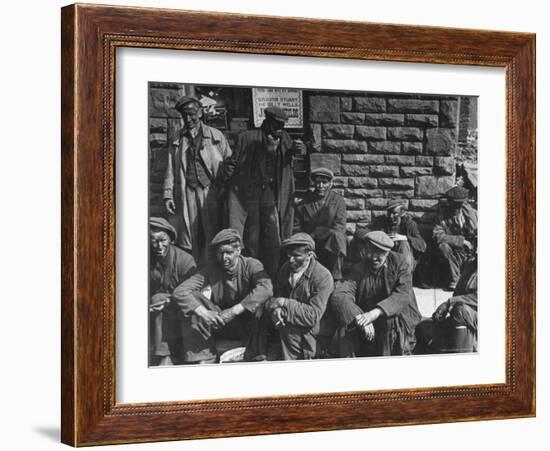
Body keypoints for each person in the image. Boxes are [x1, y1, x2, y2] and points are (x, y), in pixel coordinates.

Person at [170, 229, 273, 363]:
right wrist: (204, 313)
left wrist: (235, 310)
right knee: (194, 298)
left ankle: (256, 351)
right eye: (220, 253)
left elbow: (266, 288)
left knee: (263, 301)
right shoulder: (211, 269)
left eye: (229, 253)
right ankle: (203, 356)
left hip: (248, 324)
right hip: (222, 321)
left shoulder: (251, 265)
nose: (224, 258)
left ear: (238, 251)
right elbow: (180, 291)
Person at [226, 106, 304, 278]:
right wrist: (225, 187)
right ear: (266, 121)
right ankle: (251, 274)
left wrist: (299, 150)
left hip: (271, 194)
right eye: (275, 125)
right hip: (249, 194)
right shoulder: (248, 137)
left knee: (273, 237)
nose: (278, 129)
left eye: (281, 126)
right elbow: (232, 164)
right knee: (251, 236)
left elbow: (290, 161)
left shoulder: (284, 139)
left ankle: (273, 274)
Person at [163, 96, 232, 265]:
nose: (188, 119)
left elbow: (229, 164)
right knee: (191, 233)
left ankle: (214, 269)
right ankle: (195, 270)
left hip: (211, 191)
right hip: (187, 191)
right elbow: (170, 168)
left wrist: (226, 190)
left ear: (200, 113)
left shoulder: (216, 136)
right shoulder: (176, 139)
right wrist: (168, 195)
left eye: (192, 114)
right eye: (184, 115)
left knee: (213, 231)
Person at [329, 230, 422, 357]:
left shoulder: (400, 263)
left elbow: (402, 295)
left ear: (388, 252)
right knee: (345, 324)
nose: (373, 257)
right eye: (370, 251)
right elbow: (340, 295)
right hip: (370, 322)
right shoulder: (360, 267)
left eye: (379, 253)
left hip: (399, 320)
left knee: (389, 322)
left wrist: (375, 313)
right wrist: (361, 318)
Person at [263, 233, 334, 360]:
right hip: (289, 324)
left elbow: (313, 316)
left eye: (297, 256)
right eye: (289, 255)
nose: (291, 260)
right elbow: (276, 296)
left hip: (315, 333)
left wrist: (284, 303)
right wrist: (276, 309)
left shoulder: (323, 276)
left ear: (309, 256)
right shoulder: (285, 269)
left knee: (288, 332)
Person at [149, 217, 197, 366]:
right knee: (156, 298)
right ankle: (164, 355)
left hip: (181, 307)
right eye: (153, 240)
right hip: (158, 310)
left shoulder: (185, 260)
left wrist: (169, 300)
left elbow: (194, 292)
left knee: (159, 298)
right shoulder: (146, 258)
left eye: (163, 240)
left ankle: (193, 355)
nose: (158, 245)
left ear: (170, 239)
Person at [293, 167, 347, 280]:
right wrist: (305, 240)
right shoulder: (305, 202)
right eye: (317, 182)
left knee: (338, 237)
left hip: (329, 242)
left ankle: (336, 278)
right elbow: (297, 226)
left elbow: (340, 226)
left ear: (330, 184)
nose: (320, 186)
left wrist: (320, 232)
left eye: (324, 182)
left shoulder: (338, 201)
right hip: (310, 241)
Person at [433, 186, 478, 290]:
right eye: (454, 204)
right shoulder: (442, 216)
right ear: (449, 202)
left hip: (470, 252)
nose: (457, 207)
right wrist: (461, 241)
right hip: (453, 253)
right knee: (443, 246)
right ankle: (455, 279)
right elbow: (438, 236)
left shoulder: (472, 214)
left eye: (460, 204)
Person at [431, 255, 478, 352]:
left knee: (460, 312)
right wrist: (447, 307)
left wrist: (449, 302)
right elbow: (457, 292)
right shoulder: (471, 264)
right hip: (466, 309)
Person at [371, 199, 426, 272]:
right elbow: (363, 232)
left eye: (394, 213)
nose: (391, 216)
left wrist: (405, 238)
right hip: (387, 259)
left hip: (406, 261)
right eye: (389, 213)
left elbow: (422, 245)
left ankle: (404, 278)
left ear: (401, 213)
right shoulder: (382, 222)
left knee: (403, 244)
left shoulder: (409, 224)